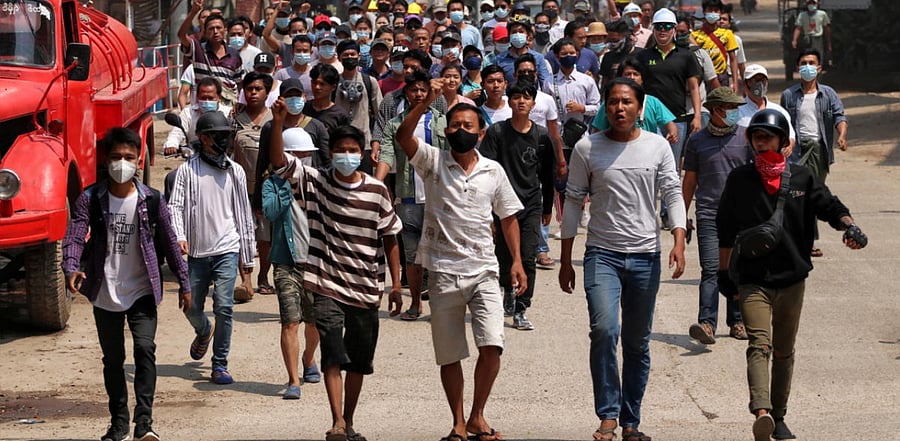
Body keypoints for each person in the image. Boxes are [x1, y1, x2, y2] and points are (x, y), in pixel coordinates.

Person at [717, 108, 867, 441]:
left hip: (792, 279)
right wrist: (724, 272)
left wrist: (850, 227)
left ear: (783, 141)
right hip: (753, 279)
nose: (761, 143)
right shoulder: (740, 179)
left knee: (784, 351)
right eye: (756, 137)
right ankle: (762, 412)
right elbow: (724, 229)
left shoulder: (802, 178)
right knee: (760, 344)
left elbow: (831, 207)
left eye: (767, 137)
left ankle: (779, 416)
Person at [396, 78, 527, 441]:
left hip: (485, 270)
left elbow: (508, 217)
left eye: (468, 126)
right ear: (445, 130)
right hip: (442, 271)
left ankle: (478, 415)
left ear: (481, 133)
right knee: (449, 354)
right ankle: (457, 421)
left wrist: (516, 261)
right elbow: (403, 138)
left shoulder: (493, 171)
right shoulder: (433, 162)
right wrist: (427, 104)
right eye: (454, 125)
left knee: (493, 345)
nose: (461, 131)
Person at [559, 78, 687, 441]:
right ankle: (608, 415)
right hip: (602, 255)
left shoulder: (658, 146)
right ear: (605, 107)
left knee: (636, 342)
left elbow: (672, 194)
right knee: (604, 330)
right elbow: (572, 201)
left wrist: (679, 239)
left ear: (639, 107)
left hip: (646, 257)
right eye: (613, 102)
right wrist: (566, 258)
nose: (619, 108)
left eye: (626, 102)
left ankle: (632, 421)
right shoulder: (587, 148)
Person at [269, 102, 403, 441]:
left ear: (363, 154)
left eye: (353, 150)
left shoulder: (377, 191)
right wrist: (278, 122)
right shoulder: (317, 182)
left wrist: (397, 284)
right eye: (340, 150)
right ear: (330, 153)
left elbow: (390, 237)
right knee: (332, 351)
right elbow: (280, 163)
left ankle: (349, 419)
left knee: (358, 362)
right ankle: (337, 422)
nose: (346, 156)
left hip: (366, 288)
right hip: (325, 283)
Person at [62, 128, 191, 441]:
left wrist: (185, 284)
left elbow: (170, 242)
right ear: (107, 161)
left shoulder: (151, 199)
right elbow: (76, 235)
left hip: (142, 290)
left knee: (145, 349)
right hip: (104, 291)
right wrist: (71, 267)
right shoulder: (90, 199)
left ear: (139, 160)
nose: (123, 163)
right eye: (117, 157)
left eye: (129, 158)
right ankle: (118, 424)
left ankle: (143, 424)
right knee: (113, 360)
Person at [168, 111, 257, 385]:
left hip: (226, 249)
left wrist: (247, 256)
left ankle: (220, 364)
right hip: (196, 253)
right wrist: (179, 236)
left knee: (224, 307)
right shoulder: (186, 171)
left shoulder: (235, 172)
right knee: (191, 307)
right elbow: (175, 206)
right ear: (203, 138)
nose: (221, 141)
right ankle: (204, 330)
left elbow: (243, 212)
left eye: (225, 136)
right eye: (216, 136)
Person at [479, 79, 554, 330]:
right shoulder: (497, 133)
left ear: (534, 103)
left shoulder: (542, 136)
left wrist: (547, 208)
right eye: (516, 97)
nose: (521, 101)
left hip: (531, 203)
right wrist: (487, 211)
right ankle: (508, 291)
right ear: (509, 101)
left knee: (528, 256)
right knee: (503, 255)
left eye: (527, 97)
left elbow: (547, 174)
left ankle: (522, 307)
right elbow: (486, 171)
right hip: (502, 205)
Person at [375, 69, 449, 321]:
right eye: (413, 90)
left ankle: (441, 304)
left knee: (440, 254)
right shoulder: (396, 125)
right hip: (407, 198)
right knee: (412, 255)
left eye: (422, 90)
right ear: (405, 93)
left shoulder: (442, 121)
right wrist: (377, 184)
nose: (418, 94)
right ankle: (415, 303)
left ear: (429, 93)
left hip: (438, 197)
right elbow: (386, 153)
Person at [681, 87, 753, 345]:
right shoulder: (697, 141)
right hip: (709, 214)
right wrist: (682, 215)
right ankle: (707, 324)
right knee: (710, 269)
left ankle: (737, 321)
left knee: (735, 269)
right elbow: (689, 181)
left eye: (736, 107)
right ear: (716, 110)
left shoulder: (746, 138)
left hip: (740, 216)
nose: (735, 112)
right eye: (730, 107)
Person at [261, 128, 322, 401]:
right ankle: (293, 379)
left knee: (314, 321)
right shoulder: (271, 184)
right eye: (299, 157)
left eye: (307, 157)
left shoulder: (319, 183)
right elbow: (271, 212)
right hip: (285, 262)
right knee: (290, 322)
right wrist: (286, 187)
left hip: (314, 262)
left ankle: (309, 359)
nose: (304, 163)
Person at [780, 48, 847, 256]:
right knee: (799, 194)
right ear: (798, 67)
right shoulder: (789, 95)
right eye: (803, 63)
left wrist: (842, 135)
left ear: (819, 68)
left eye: (811, 63)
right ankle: (806, 241)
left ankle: (805, 240)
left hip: (820, 149)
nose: (807, 67)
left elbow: (839, 116)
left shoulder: (828, 94)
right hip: (798, 150)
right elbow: (784, 123)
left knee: (814, 194)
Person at [232, 72, 275, 297]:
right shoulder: (235, 120)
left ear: (267, 92)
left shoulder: (276, 119)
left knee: (265, 237)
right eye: (249, 89)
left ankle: (263, 276)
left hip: (268, 189)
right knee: (242, 235)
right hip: (241, 189)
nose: (253, 93)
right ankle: (245, 280)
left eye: (258, 89)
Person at [591, 57, 677, 145]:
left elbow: (670, 124)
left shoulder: (653, 102)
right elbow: (597, 131)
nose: (632, 78)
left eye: (635, 74)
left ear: (642, 78)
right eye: (627, 74)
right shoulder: (611, 103)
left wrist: (672, 133)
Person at [178, 1, 245, 106]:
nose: (215, 31)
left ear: (225, 30)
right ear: (205, 31)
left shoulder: (234, 55)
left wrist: (241, 105)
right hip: (204, 108)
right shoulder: (198, 50)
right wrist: (193, 12)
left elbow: (239, 84)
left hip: (228, 110)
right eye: (211, 29)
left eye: (218, 28)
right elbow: (181, 35)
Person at [335, 40, 384, 174]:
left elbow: (380, 116)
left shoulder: (370, 82)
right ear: (339, 58)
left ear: (359, 56)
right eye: (345, 55)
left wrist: (376, 143)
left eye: (353, 54)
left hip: (364, 144)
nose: (350, 58)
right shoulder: (334, 83)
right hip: (339, 143)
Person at [163, 77, 233, 157]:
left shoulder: (228, 114)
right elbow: (177, 132)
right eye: (203, 98)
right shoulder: (188, 113)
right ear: (197, 97)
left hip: (223, 158)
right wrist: (171, 144)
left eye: (210, 98)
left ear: (218, 97)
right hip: (194, 158)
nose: (207, 101)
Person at [737, 64, 795, 153]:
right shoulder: (737, 111)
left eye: (762, 80)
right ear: (746, 83)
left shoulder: (778, 111)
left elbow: (790, 136)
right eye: (755, 80)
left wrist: (788, 146)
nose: (759, 84)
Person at [691, 0, 740, 92]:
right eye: (710, 10)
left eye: (716, 10)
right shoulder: (695, 35)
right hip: (703, 78)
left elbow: (733, 59)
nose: (713, 13)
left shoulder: (727, 34)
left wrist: (735, 82)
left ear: (720, 12)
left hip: (722, 77)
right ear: (704, 12)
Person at [303, 64, 352, 132]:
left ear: (333, 87)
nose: (317, 87)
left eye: (322, 84)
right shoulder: (303, 109)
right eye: (314, 83)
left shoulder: (340, 116)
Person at [791, 0, 831, 65]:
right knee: (806, 55)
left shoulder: (822, 14)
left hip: (818, 38)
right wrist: (794, 40)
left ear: (817, 4)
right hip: (807, 38)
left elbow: (826, 28)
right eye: (810, 3)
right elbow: (798, 28)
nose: (811, 5)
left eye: (813, 3)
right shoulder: (802, 15)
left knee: (818, 55)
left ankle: (817, 71)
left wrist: (828, 42)